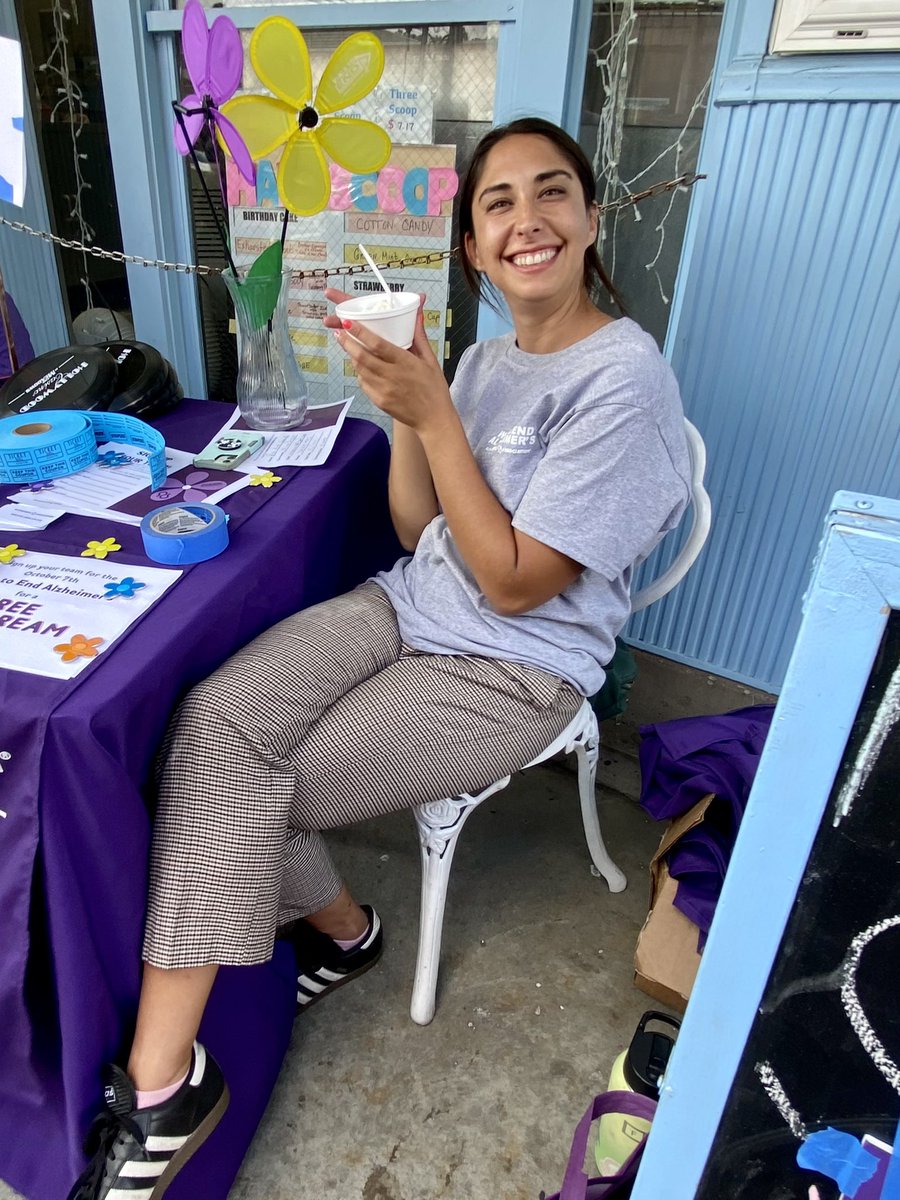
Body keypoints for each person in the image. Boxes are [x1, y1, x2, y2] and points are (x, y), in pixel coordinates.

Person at [67, 116, 691, 1199]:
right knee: (211, 725)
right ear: (473, 247)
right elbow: (419, 533)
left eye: (552, 194)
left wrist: (436, 412)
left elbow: (512, 584)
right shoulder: (490, 359)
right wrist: (404, 405)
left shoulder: (624, 384)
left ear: (591, 221)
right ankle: (349, 932)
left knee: (244, 796)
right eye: (498, 203)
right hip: (410, 603)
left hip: (511, 665)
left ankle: (159, 1085)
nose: (526, 220)